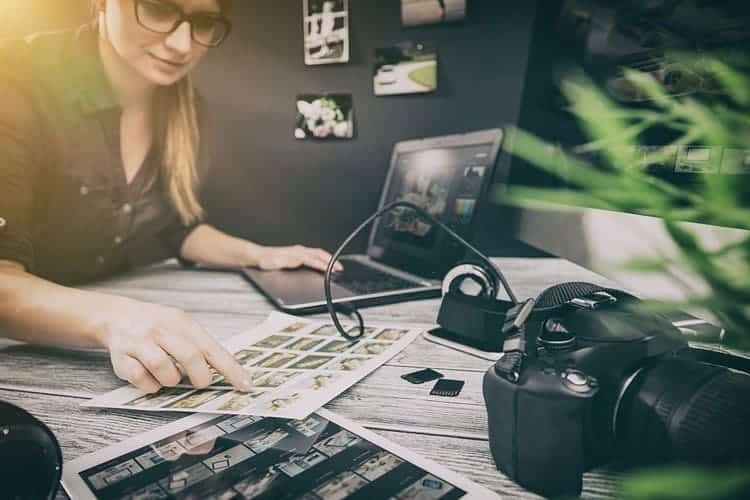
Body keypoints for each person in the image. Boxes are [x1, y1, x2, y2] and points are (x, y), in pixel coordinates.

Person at [0, 0, 342, 394]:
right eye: (160, 9)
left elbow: (173, 228)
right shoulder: (17, 78)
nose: (182, 45)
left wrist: (259, 255)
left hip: (94, 364)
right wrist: (114, 319)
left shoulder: (184, 106)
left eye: (203, 22)